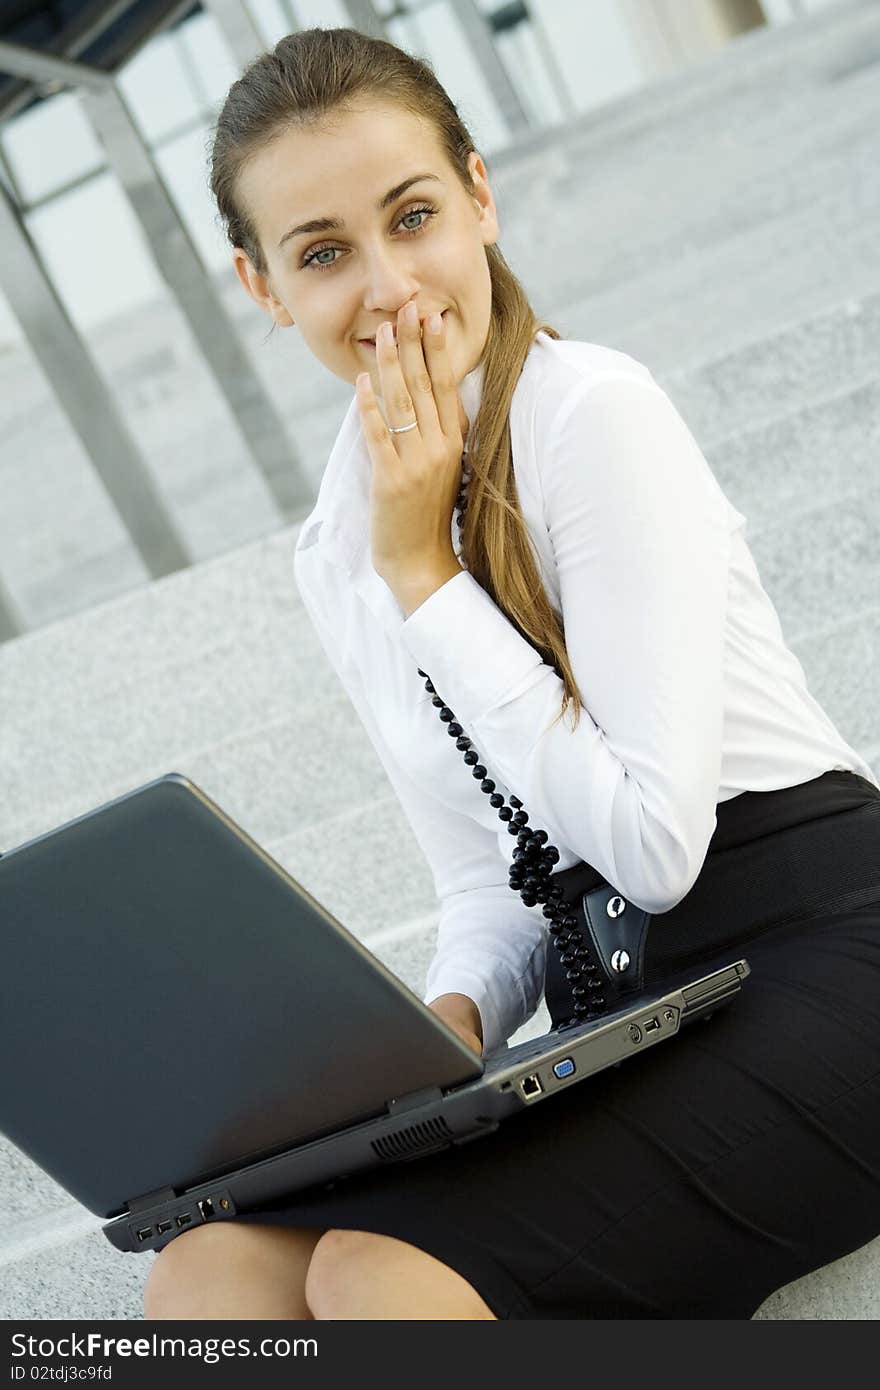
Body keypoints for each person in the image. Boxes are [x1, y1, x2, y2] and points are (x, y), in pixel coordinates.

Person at [142, 26, 880, 1321]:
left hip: (826, 945)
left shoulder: (592, 415)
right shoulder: (337, 545)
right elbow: (490, 881)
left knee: (377, 1270)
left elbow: (654, 845)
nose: (386, 286)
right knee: (209, 1272)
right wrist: (436, 1038)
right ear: (263, 290)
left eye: (412, 216)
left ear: (480, 199)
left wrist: (426, 574)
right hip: (635, 996)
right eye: (322, 254)